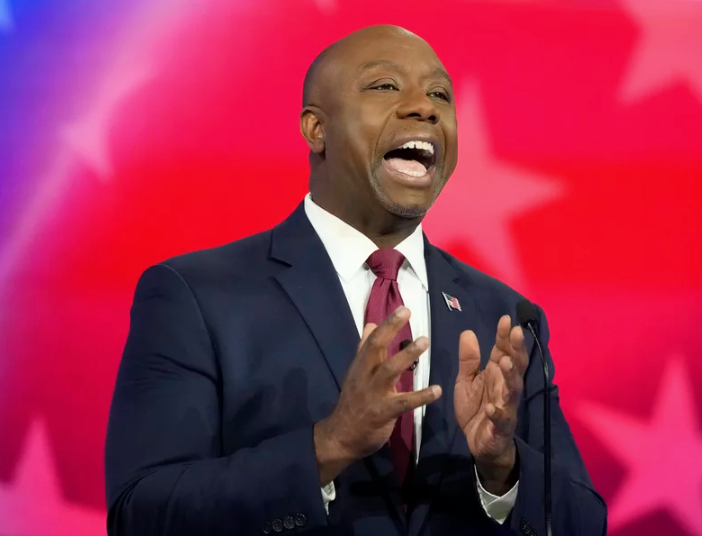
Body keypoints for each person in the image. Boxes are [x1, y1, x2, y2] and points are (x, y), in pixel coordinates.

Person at [105, 25, 606, 536]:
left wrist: (502, 467)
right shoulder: (196, 297)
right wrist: (331, 444)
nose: (425, 109)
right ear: (315, 129)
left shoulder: (505, 317)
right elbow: (141, 513)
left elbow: (581, 523)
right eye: (386, 86)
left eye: (439, 94)